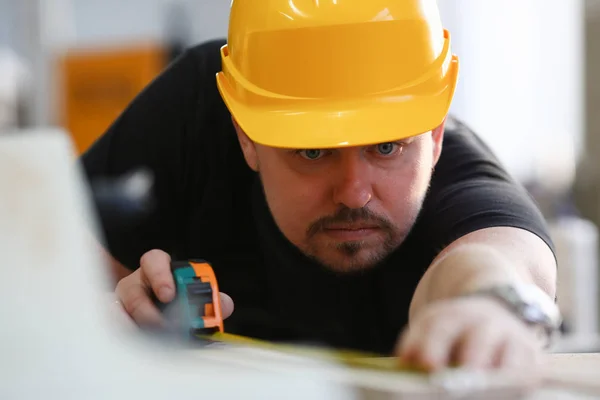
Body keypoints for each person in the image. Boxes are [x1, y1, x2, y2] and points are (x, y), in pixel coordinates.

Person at [82, 0, 561, 371]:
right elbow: (36, 241)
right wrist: (97, 306)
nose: (354, 192)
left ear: (434, 136)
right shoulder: (193, 112)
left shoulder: (460, 177)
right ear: (245, 136)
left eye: (386, 148)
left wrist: (491, 303)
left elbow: (502, 258)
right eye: (312, 151)